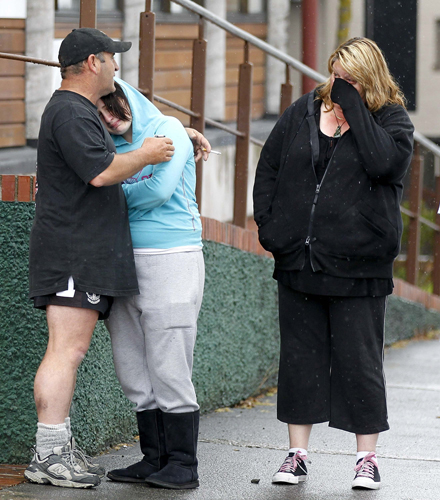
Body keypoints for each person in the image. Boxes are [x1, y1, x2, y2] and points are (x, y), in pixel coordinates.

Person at [26, 28, 209, 489]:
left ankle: (178, 462)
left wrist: (176, 136)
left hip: (140, 257)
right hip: (77, 253)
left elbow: (149, 174)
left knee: (159, 360)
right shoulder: (72, 112)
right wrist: (147, 154)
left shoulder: (101, 118)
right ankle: (50, 453)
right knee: (71, 352)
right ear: (93, 62)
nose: (115, 67)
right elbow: (104, 172)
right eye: (111, 59)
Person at [253, 37, 414, 491]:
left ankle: (367, 459)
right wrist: (272, 230)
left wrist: (355, 110)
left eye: (350, 78)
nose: (339, 85)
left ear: (369, 77)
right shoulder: (304, 110)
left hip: (360, 267)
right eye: (336, 75)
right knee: (300, 358)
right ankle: (296, 454)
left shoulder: (392, 121)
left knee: (359, 362)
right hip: (300, 261)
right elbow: (268, 169)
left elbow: (385, 164)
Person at [93, 78, 204, 490]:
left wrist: (109, 189)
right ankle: (153, 458)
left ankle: (183, 464)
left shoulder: (168, 130)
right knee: (132, 366)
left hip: (172, 256)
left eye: (113, 105)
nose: (109, 118)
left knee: (169, 361)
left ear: (127, 96)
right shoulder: (105, 148)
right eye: (99, 113)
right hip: (121, 260)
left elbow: (158, 191)